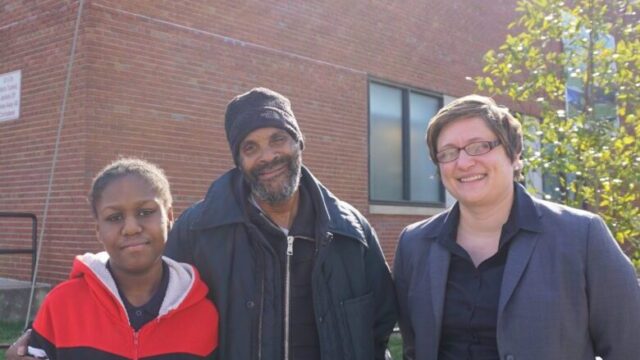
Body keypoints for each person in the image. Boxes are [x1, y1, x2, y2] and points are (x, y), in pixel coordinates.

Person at [393, 95, 640, 360]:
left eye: (479, 146)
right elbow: (414, 350)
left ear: (514, 154)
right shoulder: (415, 244)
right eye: (448, 153)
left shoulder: (581, 236)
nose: (463, 163)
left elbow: (630, 346)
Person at [165, 87, 397, 360]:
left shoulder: (352, 234)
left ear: (299, 143)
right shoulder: (197, 232)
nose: (267, 156)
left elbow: (378, 332)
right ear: (238, 162)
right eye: (250, 147)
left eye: (278, 139)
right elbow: (170, 328)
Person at [8, 158, 218, 359]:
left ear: (170, 217)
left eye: (145, 212)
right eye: (114, 218)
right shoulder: (61, 305)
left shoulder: (204, 314)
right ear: (98, 230)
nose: (131, 228)